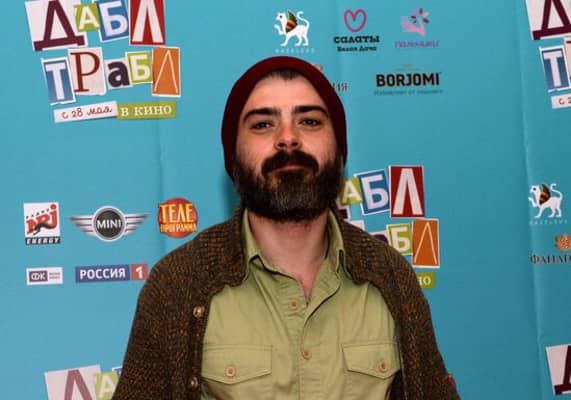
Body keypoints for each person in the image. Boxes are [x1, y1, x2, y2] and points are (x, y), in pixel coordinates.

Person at [112, 56, 460, 400]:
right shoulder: (178, 283)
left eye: (309, 121)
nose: (288, 138)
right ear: (233, 155)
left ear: (340, 149)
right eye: (263, 124)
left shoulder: (391, 277)